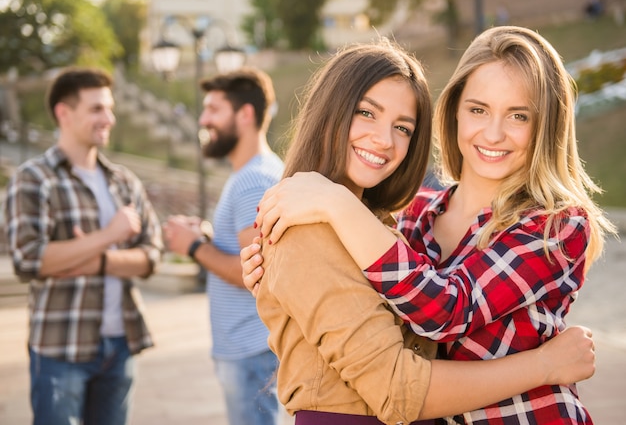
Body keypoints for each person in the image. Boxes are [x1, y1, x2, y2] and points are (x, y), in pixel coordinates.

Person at [239, 38, 597, 425]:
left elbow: (449, 310)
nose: (493, 134)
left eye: (518, 116)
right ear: (455, 112)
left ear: (546, 126)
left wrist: (336, 203)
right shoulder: (413, 216)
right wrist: (279, 285)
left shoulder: (554, 225)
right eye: (478, 109)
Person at [4, 67, 163, 425]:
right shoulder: (33, 179)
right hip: (60, 347)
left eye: (109, 108)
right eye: (96, 109)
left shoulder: (124, 181)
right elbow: (29, 259)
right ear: (64, 113)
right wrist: (110, 235)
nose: (109, 118)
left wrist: (95, 260)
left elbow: (152, 254)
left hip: (119, 345)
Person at [163, 67, 282, 425]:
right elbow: (252, 251)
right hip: (250, 349)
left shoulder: (252, 180)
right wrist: (207, 238)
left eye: (214, 109)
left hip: (251, 350)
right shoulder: (256, 173)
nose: (203, 119)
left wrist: (194, 247)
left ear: (245, 115)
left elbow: (257, 273)